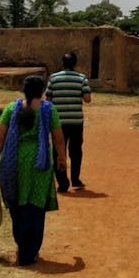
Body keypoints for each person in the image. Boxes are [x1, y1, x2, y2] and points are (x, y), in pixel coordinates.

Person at [0, 74, 65, 266]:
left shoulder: (11, 109)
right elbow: (58, 138)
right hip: (40, 164)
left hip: (14, 163)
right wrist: (63, 159)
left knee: (18, 205)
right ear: (42, 91)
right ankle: (30, 251)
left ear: (24, 89)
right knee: (36, 207)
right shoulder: (48, 110)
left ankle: (22, 246)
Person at [46, 51, 92, 191]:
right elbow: (87, 99)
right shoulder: (81, 78)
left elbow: (47, 100)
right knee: (76, 151)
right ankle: (75, 179)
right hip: (76, 121)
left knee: (58, 152)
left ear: (63, 63)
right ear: (75, 63)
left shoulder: (53, 78)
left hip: (57, 122)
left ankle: (62, 182)